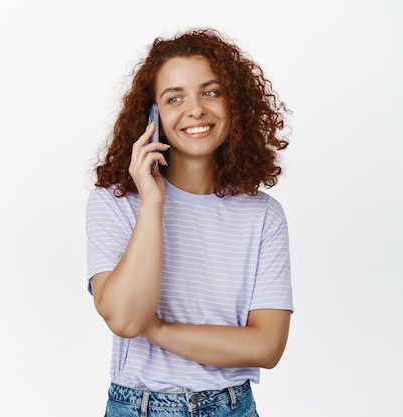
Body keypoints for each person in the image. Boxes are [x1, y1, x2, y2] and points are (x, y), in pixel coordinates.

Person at [86, 28, 293, 417]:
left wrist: (159, 330)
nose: (195, 109)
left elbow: (267, 347)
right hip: (139, 407)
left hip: (232, 407)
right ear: (152, 116)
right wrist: (152, 202)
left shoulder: (263, 215)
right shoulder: (114, 203)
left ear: (237, 105)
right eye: (174, 98)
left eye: (211, 92)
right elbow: (127, 319)